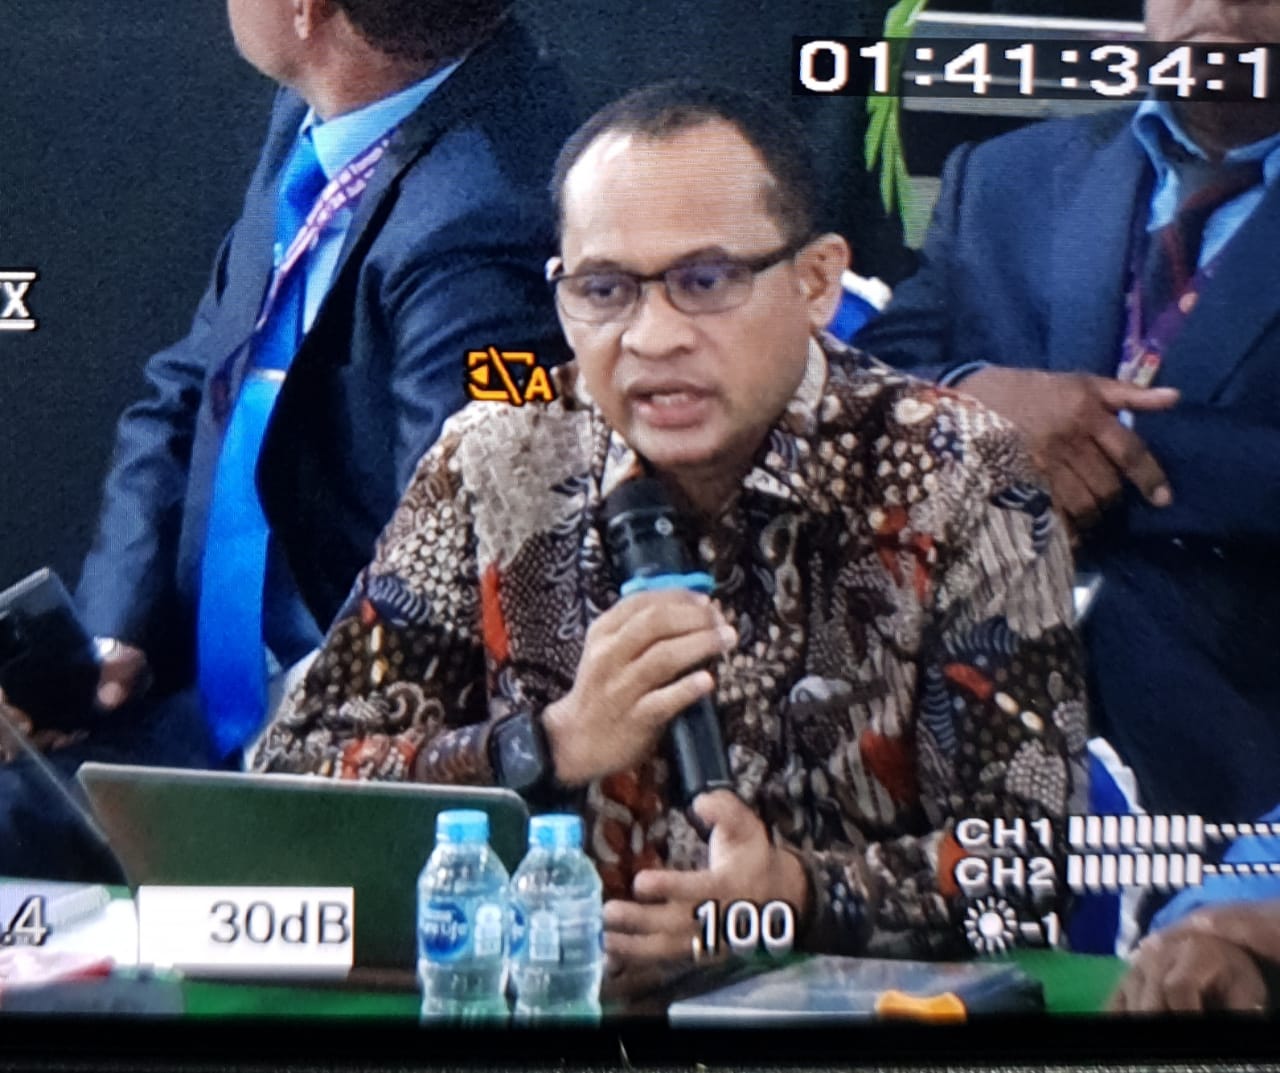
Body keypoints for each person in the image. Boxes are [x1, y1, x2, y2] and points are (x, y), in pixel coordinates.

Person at [254, 81, 1088, 989]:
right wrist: (548, 743)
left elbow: (1031, 867)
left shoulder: (958, 472)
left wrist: (790, 895)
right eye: (604, 290)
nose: (652, 338)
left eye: (705, 281)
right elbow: (289, 785)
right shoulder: (496, 458)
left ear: (815, 282)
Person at [0, 0, 575, 879]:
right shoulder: (329, 117)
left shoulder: (483, 213)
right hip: (190, 711)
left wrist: (304, 734)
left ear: (305, 10)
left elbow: (450, 560)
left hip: (344, 749)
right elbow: (191, 385)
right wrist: (109, 636)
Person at [855, 0, 1280, 826]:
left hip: (1241, 783)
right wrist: (973, 402)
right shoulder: (1006, 177)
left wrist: (1083, 446)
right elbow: (863, 386)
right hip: (958, 758)